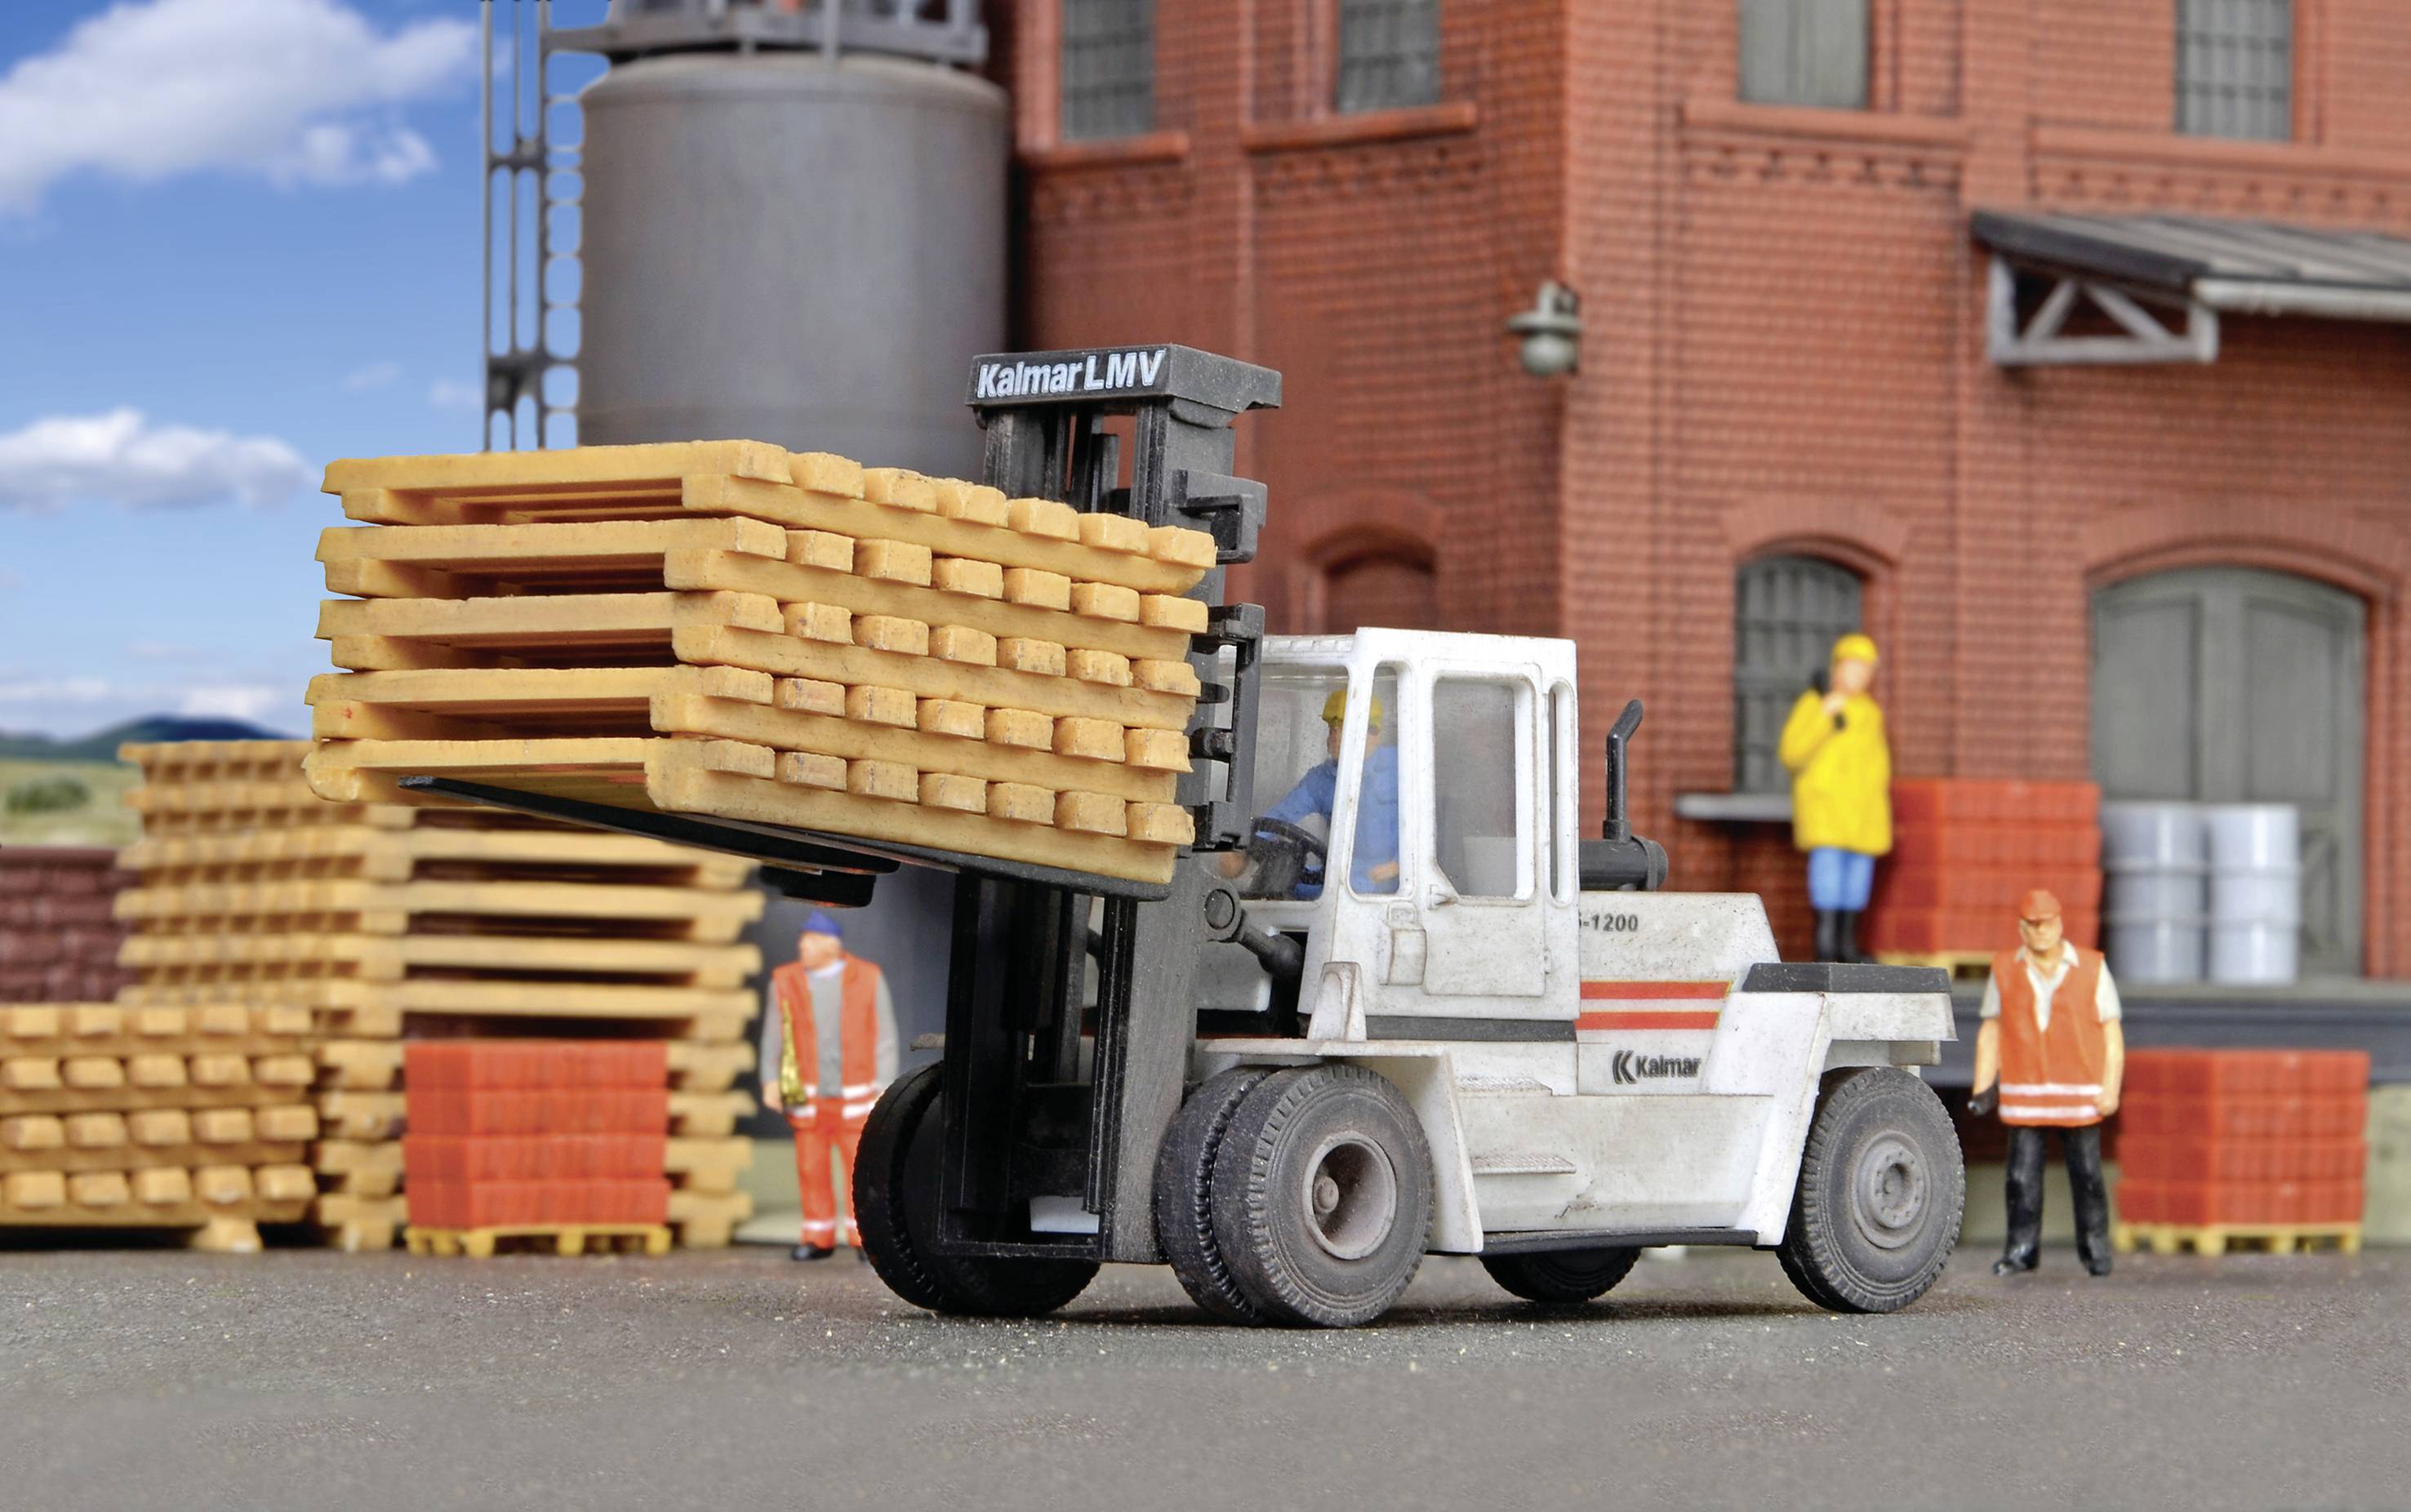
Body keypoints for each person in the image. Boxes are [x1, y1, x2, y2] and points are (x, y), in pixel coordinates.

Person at [1967, 888, 2124, 1278]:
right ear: (2022, 928)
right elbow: (1991, 1031)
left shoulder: (2091, 966)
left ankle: (2096, 1250)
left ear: (2060, 923)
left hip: (2080, 1092)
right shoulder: (2004, 968)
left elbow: (2112, 1035)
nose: (2040, 932)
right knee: (2020, 1176)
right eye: (2032, 925)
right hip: (2026, 1093)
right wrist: (1982, 1087)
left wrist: (2111, 1088)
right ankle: (2020, 1250)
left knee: (2087, 1175)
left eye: (2047, 923)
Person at [758, 911, 898, 1261]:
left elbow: (884, 1036)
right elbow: (773, 1035)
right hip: (808, 1098)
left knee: (858, 1170)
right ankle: (817, 1235)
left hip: (854, 1098)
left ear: (832, 945)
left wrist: (884, 1082)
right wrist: (771, 1079)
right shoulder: (785, 980)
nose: (802, 946)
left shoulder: (868, 978)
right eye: (803, 939)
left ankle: (862, 1236)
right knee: (810, 1168)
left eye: (811, 940)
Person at [1218, 688, 1399, 896]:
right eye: (1332, 729)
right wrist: (1243, 847)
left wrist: (1400, 864)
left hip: (1389, 885)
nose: (1335, 737)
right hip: (1342, 874)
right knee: (1281, 884)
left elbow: (1425, 825)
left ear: (1373, 733)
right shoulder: (1323, 778)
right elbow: (1281, 816)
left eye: (1344, 728)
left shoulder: (1400, 769)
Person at [1777, 632, 1891, 963]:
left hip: (1862, 815)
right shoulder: (1815, 704)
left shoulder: (1869, 713)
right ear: (1837, 668)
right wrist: (1824, 716)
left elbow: (1879, 766)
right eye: (1853, 668)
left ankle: (1847, 945)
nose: (1859, 676)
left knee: (1856, 883)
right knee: (1827, 879)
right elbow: (1792, 753)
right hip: (1827, 812)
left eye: (1865, 670)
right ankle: (1825, 945)